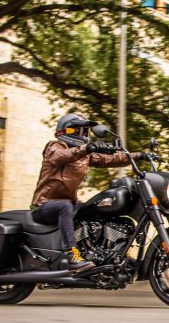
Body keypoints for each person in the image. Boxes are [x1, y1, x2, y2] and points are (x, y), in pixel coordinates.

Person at [31, 114, 136, 272]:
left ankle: (103, 254)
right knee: (65, 206)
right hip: (44, 206)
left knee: (93, 209)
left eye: (86, 131)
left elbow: (109, 159)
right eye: (80, 131)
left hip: (69, 205)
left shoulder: (84, 155)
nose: (84, 135)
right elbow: (62, 156)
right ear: (68, 130)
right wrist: (87, 148)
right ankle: (72, 256)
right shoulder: (54, 147)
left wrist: (139, 156)